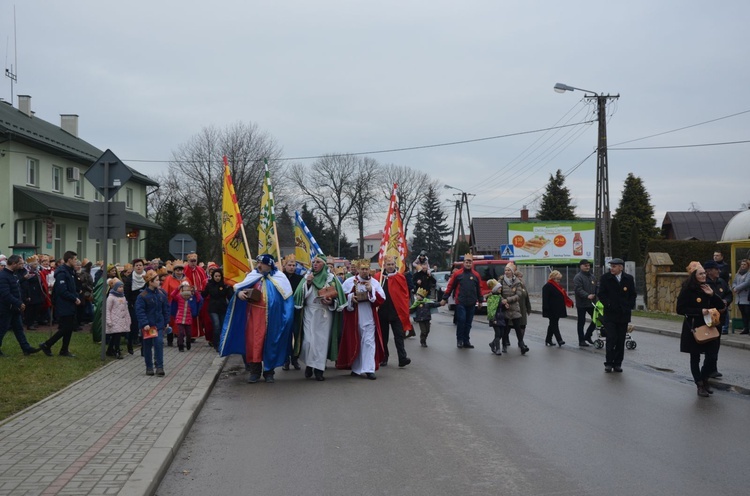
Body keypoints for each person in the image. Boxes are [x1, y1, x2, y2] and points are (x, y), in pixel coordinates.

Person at [220, 254, 295, 384]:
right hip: (254, 318)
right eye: (258, 263)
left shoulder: (280, 278)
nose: (258, 266)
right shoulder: (252, 276)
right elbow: (239, 288)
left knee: (271, 343)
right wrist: (240, 293)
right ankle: (255, 372)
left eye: (262, 264)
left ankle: (269, 372)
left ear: (269, 265)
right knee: (254, 343)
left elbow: (287, 299)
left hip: (273, 319)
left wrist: (286, 318)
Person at [293, 254, 345, 381]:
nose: (315, 264)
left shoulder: (331, 279)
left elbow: (341, 299)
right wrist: (309, 284)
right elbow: (299, 295)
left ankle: (319, 370)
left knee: (321, 343)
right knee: (308, 342)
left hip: (324, 314)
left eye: (318, 262)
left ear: (324, 264)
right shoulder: (307, 277)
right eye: (314, 262)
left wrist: (331, 302)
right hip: (309, 313)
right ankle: (310, 365)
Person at [677, 262, 725, 397]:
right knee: (695, 357)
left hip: (711, 327)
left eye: (704, 273)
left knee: (712, 357)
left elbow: (721, 306)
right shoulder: (687, 289)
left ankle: (704, 379)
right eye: (701, 273)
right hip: (694, 327)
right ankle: (699, 384)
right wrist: (700, 311)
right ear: (694, 275)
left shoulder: (708, 287)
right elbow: (680, 309)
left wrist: (712, 295)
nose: (704, 275)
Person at [336, 259, 386, 379]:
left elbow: (382, 299)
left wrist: (371, 290)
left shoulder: (374, 283)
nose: (364, 271)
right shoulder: (349, 282)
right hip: (354, 317)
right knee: (356, 340)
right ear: (358, 270)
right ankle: (356, 368)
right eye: (362, 269)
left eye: (366, 269)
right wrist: (350, 298)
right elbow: (341, 297)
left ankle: (369, 369)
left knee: (368, 342)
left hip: (369, 317)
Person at [38, 251, 82, 357]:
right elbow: (62, 291)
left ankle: (64, 350)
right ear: (69, 260)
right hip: (64, 304)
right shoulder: (62, 272)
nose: (76, 261)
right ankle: (47, 344)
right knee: (66, 327)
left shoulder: (71, 271)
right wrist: (74, 298)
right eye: (75, 259)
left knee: (69, 327)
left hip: (70, 303)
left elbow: (73, 287)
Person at [597, 258, 636, 373]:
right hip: (610, 314)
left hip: (623, 314)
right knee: (611, 338)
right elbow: (601, 294)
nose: (611, 268)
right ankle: (609, 363)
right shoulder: (605, 278)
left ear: (621, 267)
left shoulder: (628, 279)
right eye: (611, 266)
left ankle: (618, 363)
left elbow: (632, 294)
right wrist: (608, 304)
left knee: (620, 340)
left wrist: (629, 306)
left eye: (614, 266)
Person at [0, 255, 41, 357]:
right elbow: (5, 294)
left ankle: (26, 348)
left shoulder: (14, 275)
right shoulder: (3, 276)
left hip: (14, 307)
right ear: (14, 264)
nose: (22, 266)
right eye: (20, 264)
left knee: (19, 329)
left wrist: (20, 302)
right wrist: (19, 303)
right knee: (2, 329)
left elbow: (17, 290)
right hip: (6, 308)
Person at [375, 255, 412, 367]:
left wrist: (404, 308)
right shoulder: (379, 277)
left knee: (399, 336)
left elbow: (405, 295)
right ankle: (384, 357)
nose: (390, 267)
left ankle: (402, 358)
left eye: (392, 264)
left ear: (395, 265)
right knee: (383, 336)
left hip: (396, 312)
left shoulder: (400, 277)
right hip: (382, 311)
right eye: (388, 264)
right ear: (384, 265)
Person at [440, 254, 482, 349]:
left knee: (468, 323)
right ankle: (459, 340)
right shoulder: (457, 274)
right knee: (461, 321)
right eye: (466, 262)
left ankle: (466, 340)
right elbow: (450, 286)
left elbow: (479, 288)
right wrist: (444, 298)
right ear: (463, 263)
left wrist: (480, 301)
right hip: (461, 302)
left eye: (470, 262)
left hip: (471, 302)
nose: (468, 264)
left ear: (472, 263)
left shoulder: (476, 275)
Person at [135, 269, 170, 376]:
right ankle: (149, 367)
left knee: (159, 343)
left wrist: (166, 321)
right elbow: (140, 311)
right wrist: (145, 323)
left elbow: (166, 309)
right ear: (150, 282)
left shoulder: (161, 294)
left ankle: (159, 367)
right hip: (148, 326)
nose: (159, 282)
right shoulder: (143, 296)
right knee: (147, 346)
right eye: (157, 280)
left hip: (159, 324)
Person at [704, 260, 731, 377]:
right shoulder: (705, 284)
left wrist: (726, 302)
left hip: (720, 318)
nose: (719, 271)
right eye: (716, 269)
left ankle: (713, 369)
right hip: (709, 319)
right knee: (710, 344)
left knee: (716, 343)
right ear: (709, 271)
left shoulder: (721, 282)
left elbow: (729, 294)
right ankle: (706, 370)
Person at [499, 264, 529, 355]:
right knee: (506, 328)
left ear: (512, 272)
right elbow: (497, 292)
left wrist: (508, 300)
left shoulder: (517, 282)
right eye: (506, 270)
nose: (507, 272)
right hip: (505, 307)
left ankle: (522, 345)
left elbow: (518, 294)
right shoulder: (501, 281)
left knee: (517, 327)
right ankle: (504, 344)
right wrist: (503, 301)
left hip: (514, 307)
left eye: (509, 270)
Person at [201, 268, 234, 351]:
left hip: (223, 308)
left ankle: (222, 343)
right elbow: (204, 295)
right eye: (216, 276)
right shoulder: (209, 285)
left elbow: (230, 296)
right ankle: (216, 343)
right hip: (213, 308)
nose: (217, 278)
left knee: (223, 326)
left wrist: (230, 288)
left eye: (219, 276)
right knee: (216, 326)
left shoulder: (225, 285)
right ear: (213, 276)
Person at [280, 255, 303, 370]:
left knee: (297, 334)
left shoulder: (299, 279)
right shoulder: (280, 278)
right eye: (289, 265)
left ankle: (295, 358)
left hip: (296, 311)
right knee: (286, 336)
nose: (292, 267)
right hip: (283, 312)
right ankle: (286, 360)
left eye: (294, 265)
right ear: (284, 266)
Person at [542, 270, 574, 346]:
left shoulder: (558, 286)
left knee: (552, 325)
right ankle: (559, 340)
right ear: (552, 278)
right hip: (551, 309)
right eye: (557, 279)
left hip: (557, 309)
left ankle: (548, 339)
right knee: (554, 324)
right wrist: (546, 309)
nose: (558, 281)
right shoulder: (547, 286)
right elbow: (545, 299)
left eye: (559, 279)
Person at [123, 259, 147, 355]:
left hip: (145, 305)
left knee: (144, 326)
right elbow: (126, 292)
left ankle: (143, 348)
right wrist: (129, 303)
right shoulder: (129, 278)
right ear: (134, 267)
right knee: (134, 325)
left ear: (143, 266)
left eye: (140, 265)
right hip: (133, 305)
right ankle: (130, 344)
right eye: (136, 265)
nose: (138, 267)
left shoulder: (147, 277)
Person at [171, 281, 202, 352]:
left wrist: (195, 291)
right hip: (180, 318)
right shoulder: (179, 297)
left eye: (187, 288)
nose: (185, 290)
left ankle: (188, 343)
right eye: (184, 288)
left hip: (188, 318)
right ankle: (180, 345)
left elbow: (199, 299)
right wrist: (177, 288)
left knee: (189, 333)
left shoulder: (192, 297)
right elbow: (172, 295)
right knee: (181, 333)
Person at [573, 259, 597, 347]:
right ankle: (581, 340)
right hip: (582, 303)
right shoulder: (578, 277)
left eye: (588, 265)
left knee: (596, 319)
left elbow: (596, 287)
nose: (587, 267)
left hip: (592, 303)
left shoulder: (592, 277)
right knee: (581, 322)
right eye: (585, 265)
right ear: (581, 266)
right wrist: (587, 295)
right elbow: (578, 289)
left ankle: (588, 335)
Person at [19, 256, 45, 331]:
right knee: (30, 308)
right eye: (34, 264)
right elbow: (23, 281)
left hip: (37, 291)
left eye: (36, 264)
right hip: (30, 291)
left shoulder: (37, 271)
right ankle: (29, 323)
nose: (36, 266)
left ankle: (33, 321)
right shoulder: (25, 271)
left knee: (37, 307)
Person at [105, 279, 129, 359]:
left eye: (122, 287)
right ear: (115, 288)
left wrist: (127, 319)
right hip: (114, 320)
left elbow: (126, 309)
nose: (121, 288)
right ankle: (117, 350)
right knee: (116, 336)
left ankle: (110, 349)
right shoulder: (111, 298)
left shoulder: (123, 296)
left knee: (116, 336)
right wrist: (108, 320)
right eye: (119, 287)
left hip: (121, 319)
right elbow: (107, 309)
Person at [486, 279, 506, 355]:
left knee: (502, 334)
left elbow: (501, 307)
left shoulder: (500, 297)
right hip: (495, 318)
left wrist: (505, 305)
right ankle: (498, 349)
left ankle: (492, 343)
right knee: (497, 334)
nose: (500, 289)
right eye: (499, 288)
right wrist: (493, 319)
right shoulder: (492, 298)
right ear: (495, 289)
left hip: (501, 317)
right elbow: (491, 309)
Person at [731, 259, 750, 334]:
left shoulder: (748, 273)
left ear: (748, 266)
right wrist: (734, 288)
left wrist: (737, 288)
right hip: (739, 297)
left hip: (746, 296)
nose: (742, 266)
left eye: (744, 265)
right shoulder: (738, 274)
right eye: (742, 264)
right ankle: (746, 328)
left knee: (748, 313)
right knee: (743, 313)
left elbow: (747, 283)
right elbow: (734, 282)